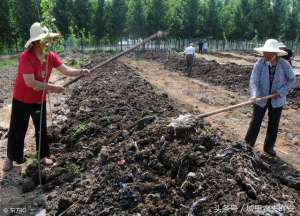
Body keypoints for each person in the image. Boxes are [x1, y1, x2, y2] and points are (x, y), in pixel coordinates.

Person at [3, 22, 90, 171]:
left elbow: (66, 70)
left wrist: (81, 71)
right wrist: (53, 88)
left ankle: (43, 156)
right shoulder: (26, 57)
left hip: (39, 99)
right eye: (46, 39)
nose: (49, 42)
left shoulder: (50, 56)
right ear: (37, 42)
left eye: (49, 39)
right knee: (17, 128)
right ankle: (11, 157)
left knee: (41, 128)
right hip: (22, 99)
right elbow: (31, 82)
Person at [244, 39, 295, 156]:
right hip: (261, 98)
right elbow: (254, 81)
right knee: (255, 122)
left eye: (269, 53)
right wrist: (254, 95)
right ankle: (247, 144)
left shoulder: (284, 64)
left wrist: (280, 92)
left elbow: (292, 79)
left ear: (275, 54)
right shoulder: (259, 64)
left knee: (274, 123)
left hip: (277, 100)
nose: (265, 55)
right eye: (265, 52)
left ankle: (269, 147)